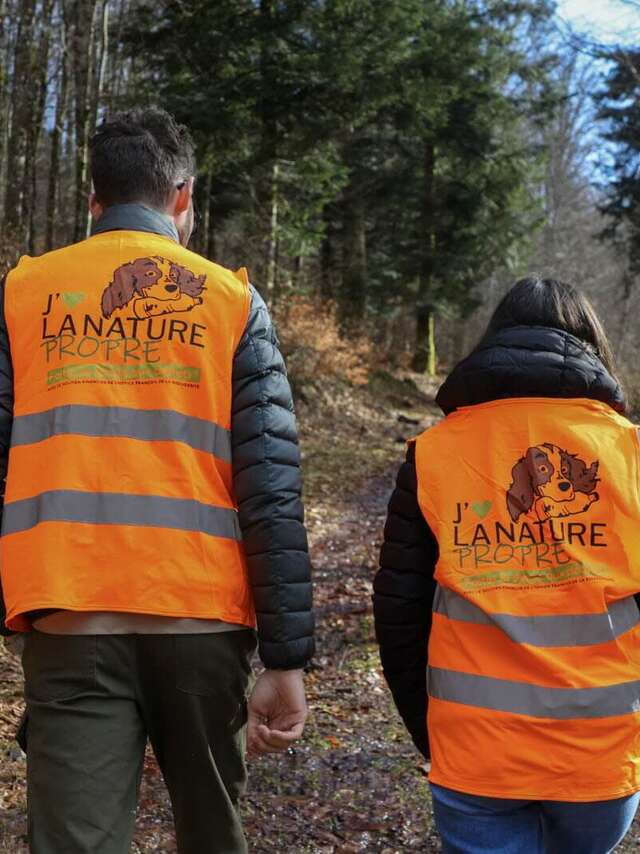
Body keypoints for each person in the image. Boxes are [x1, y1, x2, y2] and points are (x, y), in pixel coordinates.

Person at [0, 107, 314, 854]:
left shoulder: (22, 293)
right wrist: (287, 657)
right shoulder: (233, 301)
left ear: (93, 198)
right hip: (200, 617)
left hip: (67, 614)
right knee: (212, 835)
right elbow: (270, 490)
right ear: (183, 197)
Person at [373, 277, 640, 854]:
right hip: (600, 753)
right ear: (593, 345)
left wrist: (431, 728)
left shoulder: (434, 454)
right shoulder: (632, 453)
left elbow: (399, 611)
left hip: (475, 748)